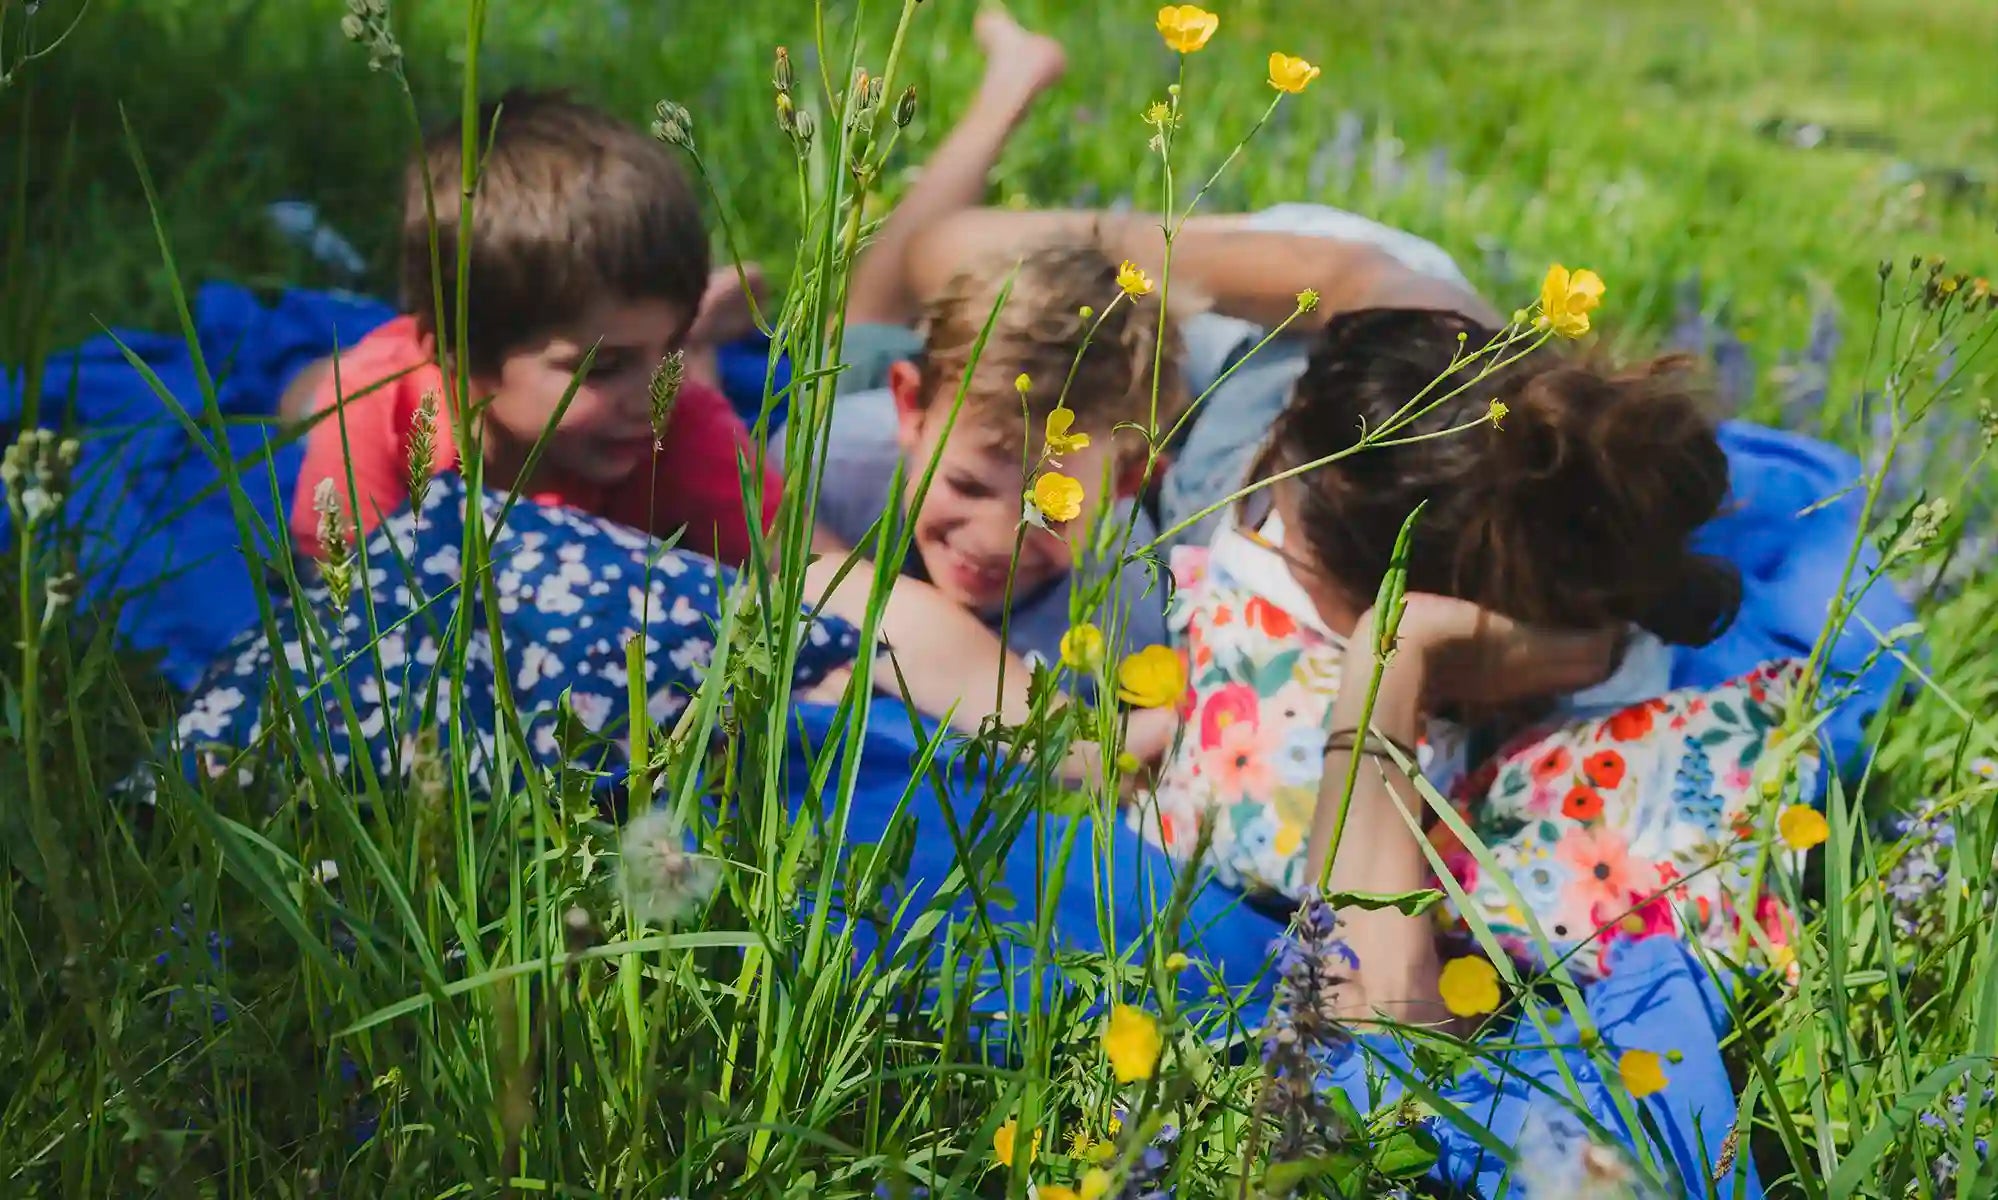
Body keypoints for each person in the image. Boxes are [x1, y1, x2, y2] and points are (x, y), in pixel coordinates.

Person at [803, 7, 1493, 681]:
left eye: (1052, 511)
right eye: (966, 485)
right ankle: (1011, 82)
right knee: (867, 321)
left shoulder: (1124, 613)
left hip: (1256, 331)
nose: (993, 541)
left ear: (1135, 481)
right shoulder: (827, 463)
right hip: (1047, 383)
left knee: (942, 274)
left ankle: (1133, 269)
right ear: (909, 409)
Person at [1132, 305, 1745, 1026]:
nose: (1265, 537)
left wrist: (1395, 652)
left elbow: (1372, 1015)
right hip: (1234, 419)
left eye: (1287, 543)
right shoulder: (1261, 545)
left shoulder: (1603, 698)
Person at [285, 89, 777, 568]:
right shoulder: (378, 420)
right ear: (460, 354)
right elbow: (348, 597)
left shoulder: (681, 419)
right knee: (308, 398)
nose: (657, 398)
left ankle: (698, 333)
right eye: (603, 368)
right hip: (365, 381)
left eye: (673, 347)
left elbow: (803, 566)